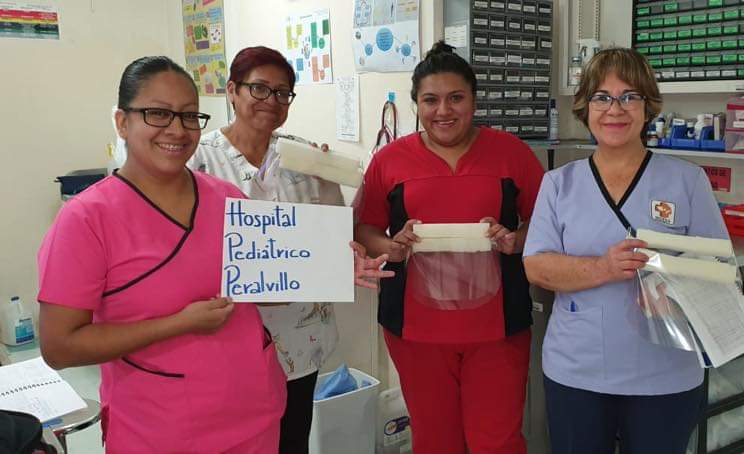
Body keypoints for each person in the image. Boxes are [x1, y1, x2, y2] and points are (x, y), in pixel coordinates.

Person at [36, 56, 391, 453]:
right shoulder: (87, 219)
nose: (177, 129)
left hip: (256, 414)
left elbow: (261, 287)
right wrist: (177, 324)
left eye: (189, 116)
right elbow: (60, 346)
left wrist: (325, 268)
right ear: (122, 122)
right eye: (158, 114)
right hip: (160, 428)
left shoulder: (226, 198)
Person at [522, 48, 729, 454]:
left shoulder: (687, 181)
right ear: (585, 107)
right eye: (602, 97)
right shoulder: (559, 184)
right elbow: (537, 267)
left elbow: (720, 269)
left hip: (665, 372)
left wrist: (677, 287)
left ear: (647, 106)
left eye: (629, 96)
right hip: (578, 371)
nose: (615, 109)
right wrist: (603, 267)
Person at [354, 41, 545, 454]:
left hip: (498, 328)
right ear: (417, 104)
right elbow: (366, 228)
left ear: (474, 100)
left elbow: (545, 223)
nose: (444, 110)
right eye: (431, 100)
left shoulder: (512, 154)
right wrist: (392, 247)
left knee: (497, 442)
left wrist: (515, 240)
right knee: (434, 441)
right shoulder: (390, 161)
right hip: (415, 330)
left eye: (456, 98)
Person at [186, 45, 355, 454]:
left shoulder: (303, 156)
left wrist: (330, 176)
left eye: (282, 93)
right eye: (259, 88)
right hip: (227, 334)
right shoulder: (198, 159)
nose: (271, 101)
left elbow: (335, 233)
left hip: (300, 335)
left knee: (292, 438)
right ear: (232, 91)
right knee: (236, 441)